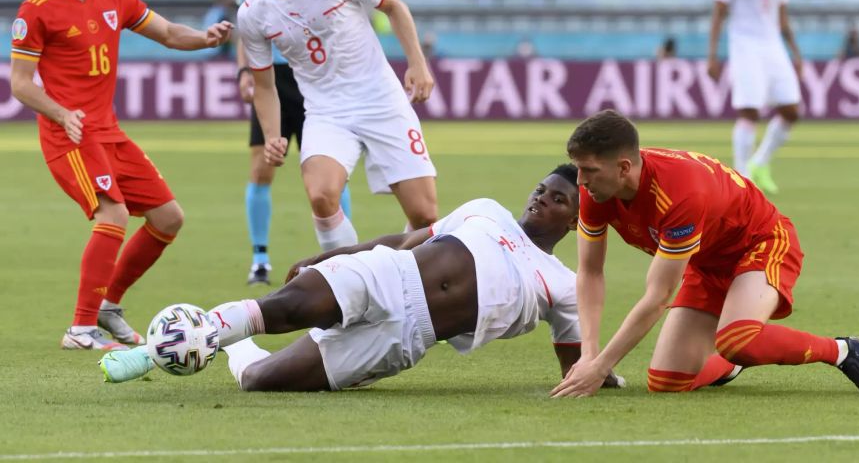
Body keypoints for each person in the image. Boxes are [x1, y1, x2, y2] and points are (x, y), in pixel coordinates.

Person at [100, 166, 625, 392]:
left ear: (577, 218)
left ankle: (234, 350)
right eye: (541, 189)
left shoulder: (563, 282)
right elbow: (404, 242)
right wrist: (333, 253)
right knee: (282, 308)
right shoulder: (486, 208)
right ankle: (159, 349)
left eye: (559, 199)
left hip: (406, 337)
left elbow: (573, 356)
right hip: (385, 274)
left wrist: (600, 373)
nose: (542, 199)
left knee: (259, 382)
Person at [9, 0, 232, 350]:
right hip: (68, 136)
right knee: (111, 215)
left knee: (168, 218)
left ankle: (109, 305)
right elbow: (19, 83)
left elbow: (167, 32)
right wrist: (60, 113)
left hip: (108, 132)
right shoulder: (35, 10)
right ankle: (80, 329)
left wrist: (205, 39)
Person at [550, 110, 859, 398]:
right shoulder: (595, 193)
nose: (580, 181)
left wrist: (603, 367)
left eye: (589, 170)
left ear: (623, 168)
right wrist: (589, 355)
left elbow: (658, 296)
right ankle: (733, 363)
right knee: (667, 381)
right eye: (577, 168)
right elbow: (590, 272)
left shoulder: (680, 193)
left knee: (738, 338)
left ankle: (843, 350)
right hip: (706, 261)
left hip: (760, 243)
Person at [236, 0, 438, 253]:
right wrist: (272, 135)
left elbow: (394, 6)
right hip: (327, 112)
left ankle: (403, 278)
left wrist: (417, 64)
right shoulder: (253, 13)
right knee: (321, 196)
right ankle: (349, 281)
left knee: (425, 216)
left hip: (381, 100)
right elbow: (265, 85)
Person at [234, 0, 352, 286]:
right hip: (274, 80)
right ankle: (260, 258)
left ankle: (344, 256)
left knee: (330, 174)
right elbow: (245, 31)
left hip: (315, 80)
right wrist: (244, 73)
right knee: (262, 167)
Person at [707, 0, 803, 194]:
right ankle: (742, 176)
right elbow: (718, 14)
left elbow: (782, 17)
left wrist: (796, 54)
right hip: (745, 47)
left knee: (792, 111)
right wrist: (712, 55)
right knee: (749, 111)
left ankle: (760, 162)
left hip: (773, 47)